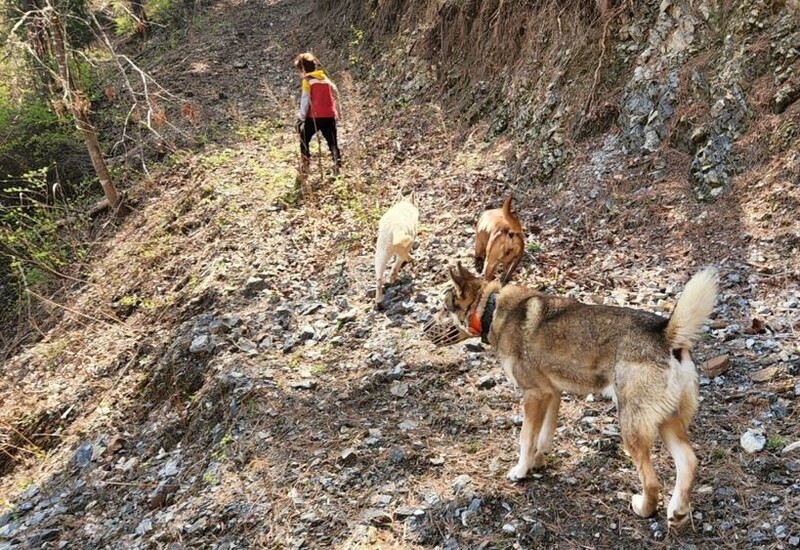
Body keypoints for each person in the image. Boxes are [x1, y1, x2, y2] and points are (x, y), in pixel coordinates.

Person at [293, 52, 342, 179]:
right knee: (332, 141)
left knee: (304, 138)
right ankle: (337, 165)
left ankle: (305, 164)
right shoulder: (325, 79)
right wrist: (335, 112)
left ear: (303, 69)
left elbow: (305, 99)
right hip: (329, 115)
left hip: (314, 117)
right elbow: (334, 94)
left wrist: (301, 117)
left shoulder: (307, 81)